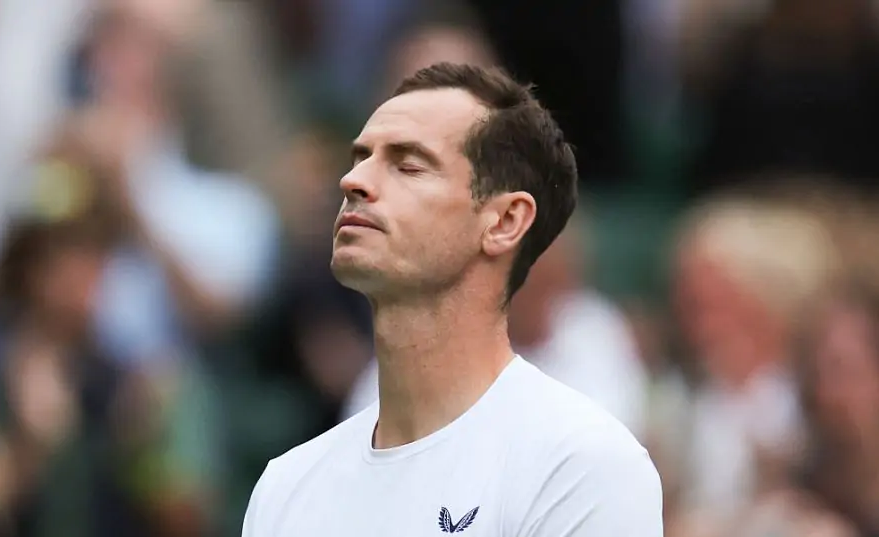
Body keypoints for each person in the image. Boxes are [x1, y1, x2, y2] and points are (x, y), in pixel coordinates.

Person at [241, 62, 663, 537]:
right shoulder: (285, 487)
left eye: (408, 165)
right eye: (359, 158)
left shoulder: (582, 465)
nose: (353, 181)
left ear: (504, 222)